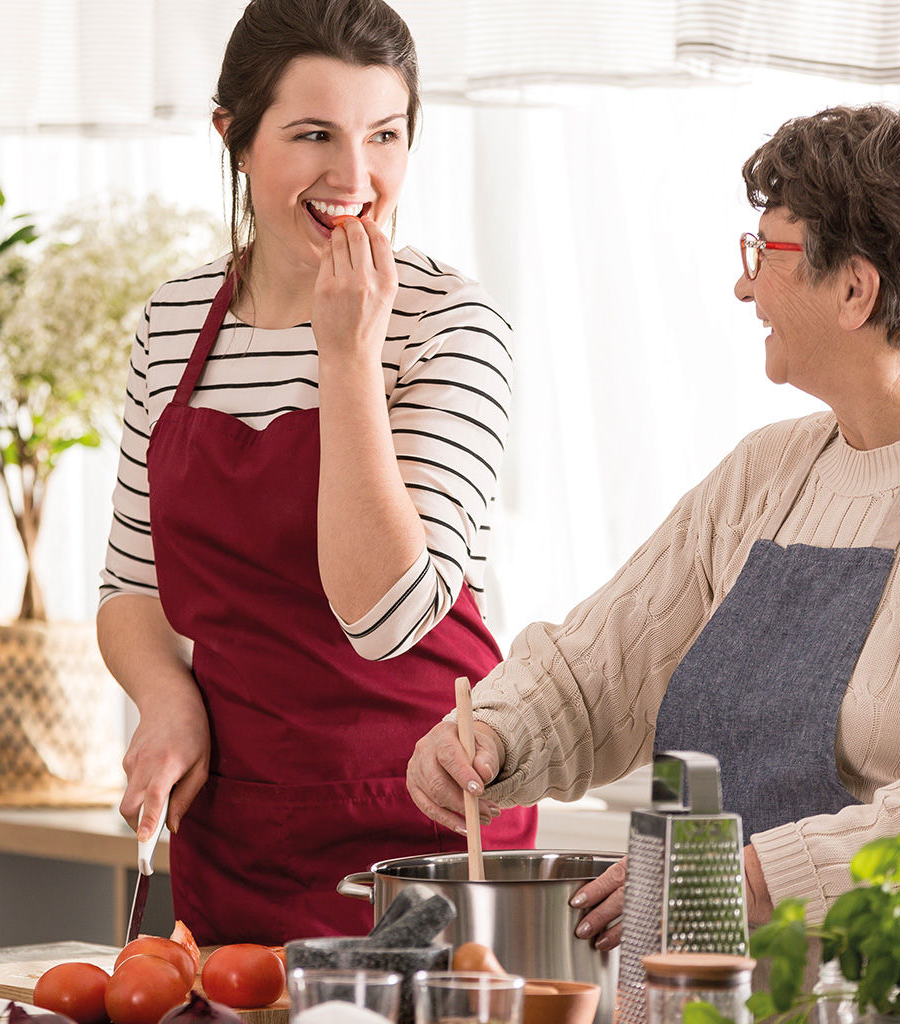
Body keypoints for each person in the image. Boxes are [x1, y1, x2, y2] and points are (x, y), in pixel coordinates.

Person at [406, 103, 900, 950]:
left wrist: (748, 878)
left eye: (766, 253)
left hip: (894, 997)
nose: (743, 284)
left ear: (855, 288)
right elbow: (601, 668)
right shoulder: (767, 472)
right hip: (709, 986)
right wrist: (498, 735)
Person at [97, 0, 536, 944]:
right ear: (236, 139)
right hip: (242, 823)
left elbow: (387, 615)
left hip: (429, 823)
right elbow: (132, 584)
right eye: (313, 135)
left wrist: (348, 358)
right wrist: (169, 703)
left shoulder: (449, 325)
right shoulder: (173, 324)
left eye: (385, 135)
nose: (355, 176)